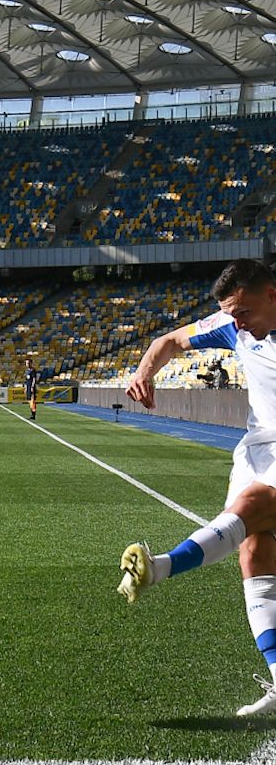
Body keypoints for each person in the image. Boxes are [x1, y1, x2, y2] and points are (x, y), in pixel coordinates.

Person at [116, 258, 276, 716]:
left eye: (243, 311)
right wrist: (144, 372)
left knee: (250, 507)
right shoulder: (233, 327)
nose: (236, 322)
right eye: (231, 313)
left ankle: (159, 568)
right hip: (257, 449)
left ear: (271, 295)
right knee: (254, 551)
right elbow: (167, 341)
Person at [23, 356, 40, 421]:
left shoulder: (33, 370)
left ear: (31, 363)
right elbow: (26, 380)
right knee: (29, 401)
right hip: (28, 386)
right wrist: (25, 387)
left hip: (31, 387)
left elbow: (34, 379)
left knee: (32, 401)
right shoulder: (26, 371)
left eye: (28, 363)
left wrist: (32, 386)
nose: (27, 364)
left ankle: (33, 415)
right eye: (26, 363)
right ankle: (32, 414)